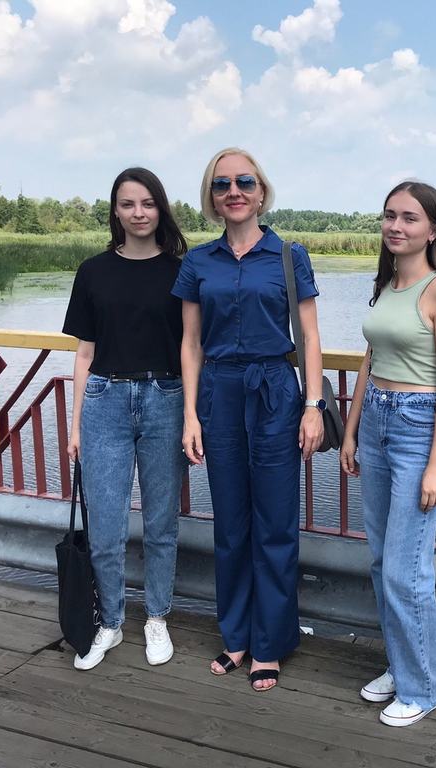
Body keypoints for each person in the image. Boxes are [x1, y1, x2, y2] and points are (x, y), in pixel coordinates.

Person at [173, 147, 324, 692]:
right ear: (212, 198)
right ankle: (235, 634)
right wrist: (190, 415)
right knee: (232, 524)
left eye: (244, 182)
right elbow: (191, 343)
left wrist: (313, 406)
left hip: (276, 391)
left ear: (261, 192)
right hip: (219, 393)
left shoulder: (288, 256)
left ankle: (270, 643)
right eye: (222, 184)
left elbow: (310, 336)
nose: (233, 191)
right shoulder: (198, 262)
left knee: (276, 523)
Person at [339, 181, 436, 726]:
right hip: (376, 423)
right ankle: (402, 664)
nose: (396, 226)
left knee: (405, 570)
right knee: (381, 562)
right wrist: (350, 431)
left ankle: (424, 687)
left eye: (410, 218)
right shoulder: (389, 283)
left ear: (433, 229)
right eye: (390, 215)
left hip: (418, 430)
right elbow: (370, 361)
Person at [63, 167, 188, 671]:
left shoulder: (182, 271)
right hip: (104, 399)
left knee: (161, 522)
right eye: (128, 204)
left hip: (167, 398)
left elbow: (194, 348)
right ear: (115, 211)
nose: (139, 213)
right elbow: (83, 353)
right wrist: (75, 424)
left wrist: (193, 416)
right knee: (106, 525)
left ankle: (156, 617)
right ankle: (110, 622)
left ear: (161, 208)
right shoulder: (93, 271)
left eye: (148, 203)